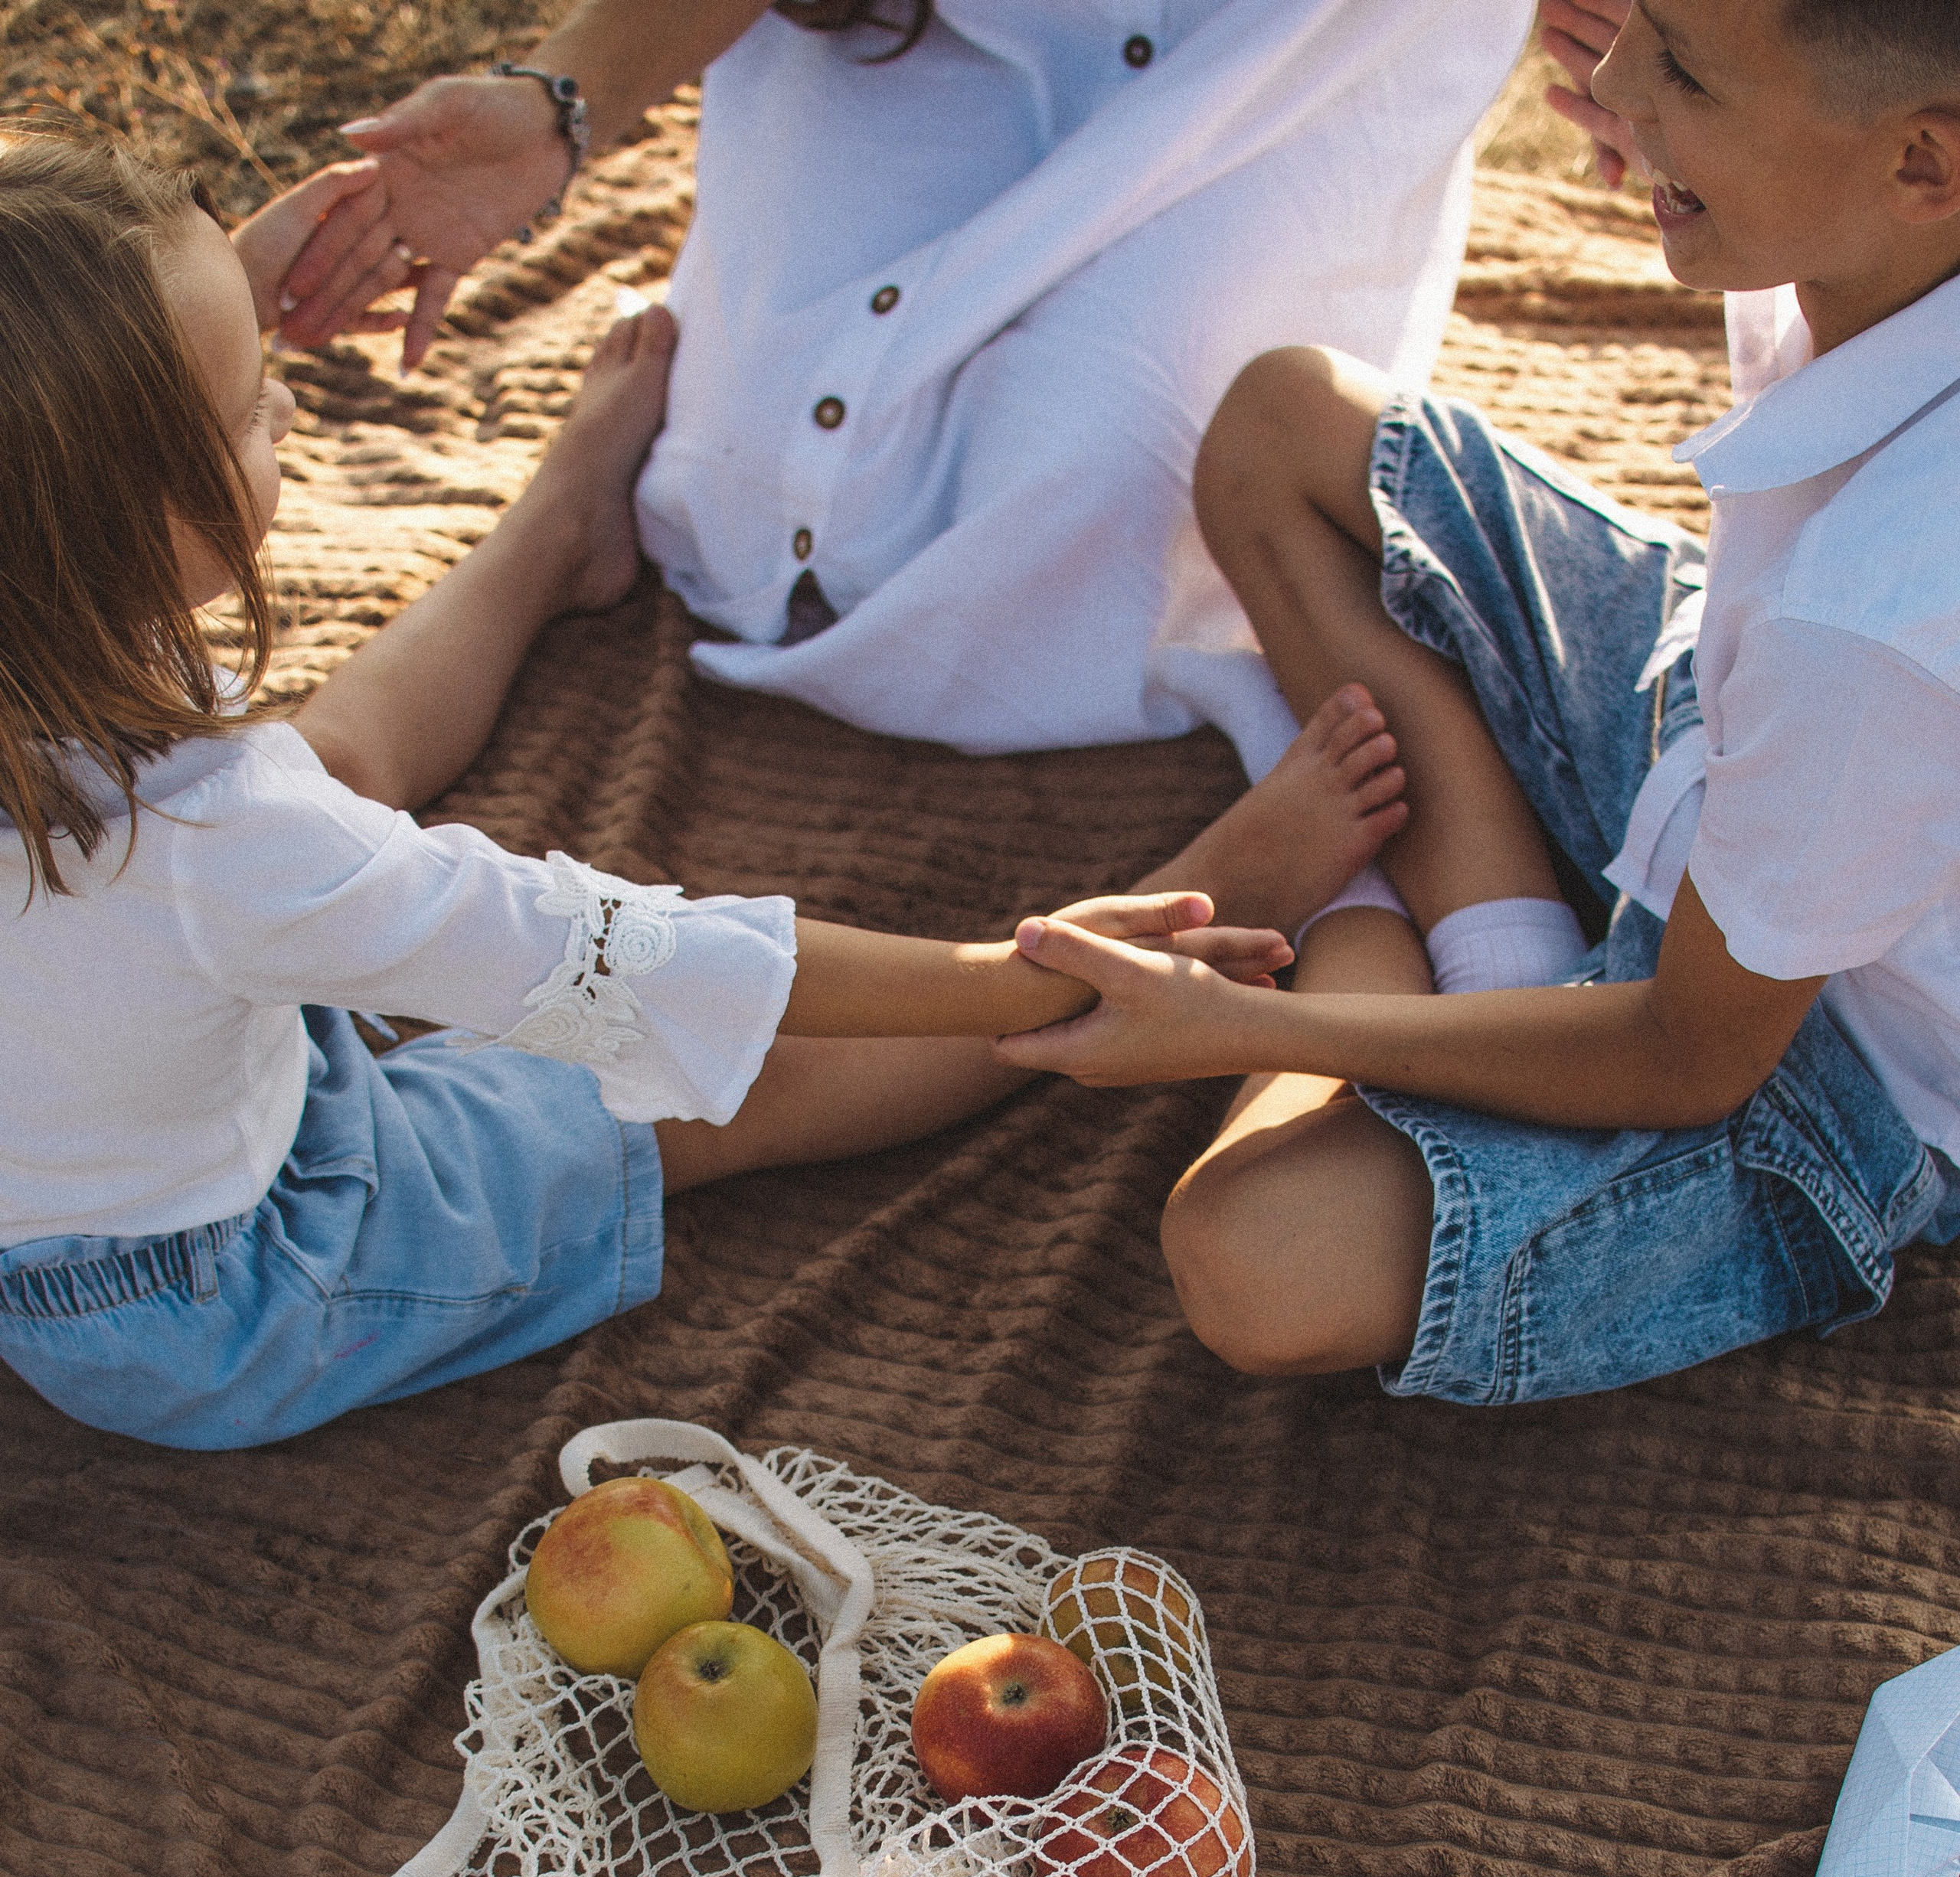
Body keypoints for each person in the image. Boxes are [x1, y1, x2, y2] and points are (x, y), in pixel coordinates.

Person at [0, 130, 1367, 1453]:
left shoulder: (52, 618)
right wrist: (999, 980)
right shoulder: (212, 837)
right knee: (712, 1080)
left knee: (333, 778)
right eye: (249, 405)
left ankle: (557, 529)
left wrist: (167, 303)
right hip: (236, 1292)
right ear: (121, 507)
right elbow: (616, 963)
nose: (288, 400)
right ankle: (1128, 948)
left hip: (68, 1185)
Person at [991, 0, 1960, 1409]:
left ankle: (1411, 931)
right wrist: (1691, 161)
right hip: (1743, 722)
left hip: (1834, 1048)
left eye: (1681, 67)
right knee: (1286, 422)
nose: (1617, 75)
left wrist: (1263, 1028)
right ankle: (1510, 950)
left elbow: (1691, 1053)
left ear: (1925, 167)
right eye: (1643, 21)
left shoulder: (1882, 610)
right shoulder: (1886, 230)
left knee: (1255, 1255)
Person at [264, 0, 1535, 771]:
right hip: (947, 26)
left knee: (1093, 500)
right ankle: (561, 520)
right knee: (756, 484)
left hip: (1275, 58)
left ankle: (559, 525)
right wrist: (559, 108)